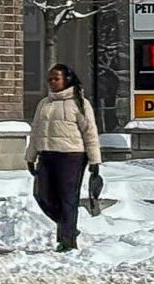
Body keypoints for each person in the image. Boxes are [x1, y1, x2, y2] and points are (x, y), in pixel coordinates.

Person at [27, 62, 102, 252]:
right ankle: (68, 226)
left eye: (56, 78)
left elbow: (90, 133)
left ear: (67, 79)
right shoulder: (44, 104)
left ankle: (67, 240)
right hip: (47, 155)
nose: (52, 82)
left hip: (72, 157)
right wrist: (30, 156)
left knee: (68, 199)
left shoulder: (80, 103)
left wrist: (95, 161)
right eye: (49, 79)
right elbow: (36, 131)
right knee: (41, 195)